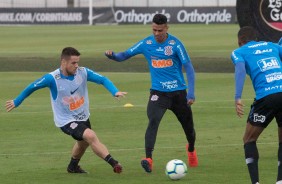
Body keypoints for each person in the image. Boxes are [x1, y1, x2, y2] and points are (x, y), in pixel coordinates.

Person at [5, 47, 127, 174]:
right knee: (90, 135)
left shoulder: (83, 72)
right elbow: (32, 87)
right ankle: (114, 163)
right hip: (66, 120)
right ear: (63, 62)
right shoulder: (52, 78)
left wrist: (114, 91)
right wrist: (17, 101)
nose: (76, 66)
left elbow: (103, 79)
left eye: (77, 62)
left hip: (82, 116)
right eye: (73, 63)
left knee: (83, 143)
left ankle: (72, 167)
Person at [104, 13, 198, 173]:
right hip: (158, 93)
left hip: (179, 94)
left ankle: (191, 149)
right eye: (154, 29)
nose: (156, 33)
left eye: (159, 30)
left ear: (166, 28)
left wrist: (191, 93)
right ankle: (148, 159)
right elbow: (125, 55)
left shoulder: (176, 44)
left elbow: (188, 68)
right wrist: (113, 56)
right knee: (153, 121)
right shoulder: (146, 43)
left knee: (189, 128)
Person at [231, 26, 282, 184]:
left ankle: (256, 182)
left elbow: (240, 70)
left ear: (240, 41)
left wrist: (238, 97)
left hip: (265, 98)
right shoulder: (273, 46)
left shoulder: (238, 52)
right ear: (257, 38)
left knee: (249, 139)